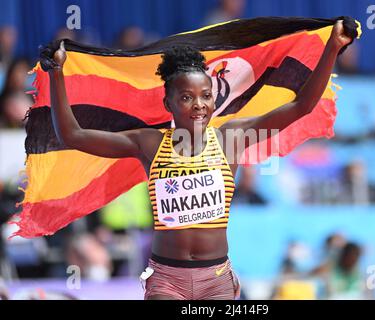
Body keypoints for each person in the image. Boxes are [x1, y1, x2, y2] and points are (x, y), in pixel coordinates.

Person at [42, 20, 352, 300]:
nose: (199, 104)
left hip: (216, 280)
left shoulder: (231, 138)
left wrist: (333, 47)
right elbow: (73, 135)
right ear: (169, 102)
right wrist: (57, 74)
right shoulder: (148, 143)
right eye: (187, 97)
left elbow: (302, 106)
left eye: (206, 95)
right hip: (167, 281)